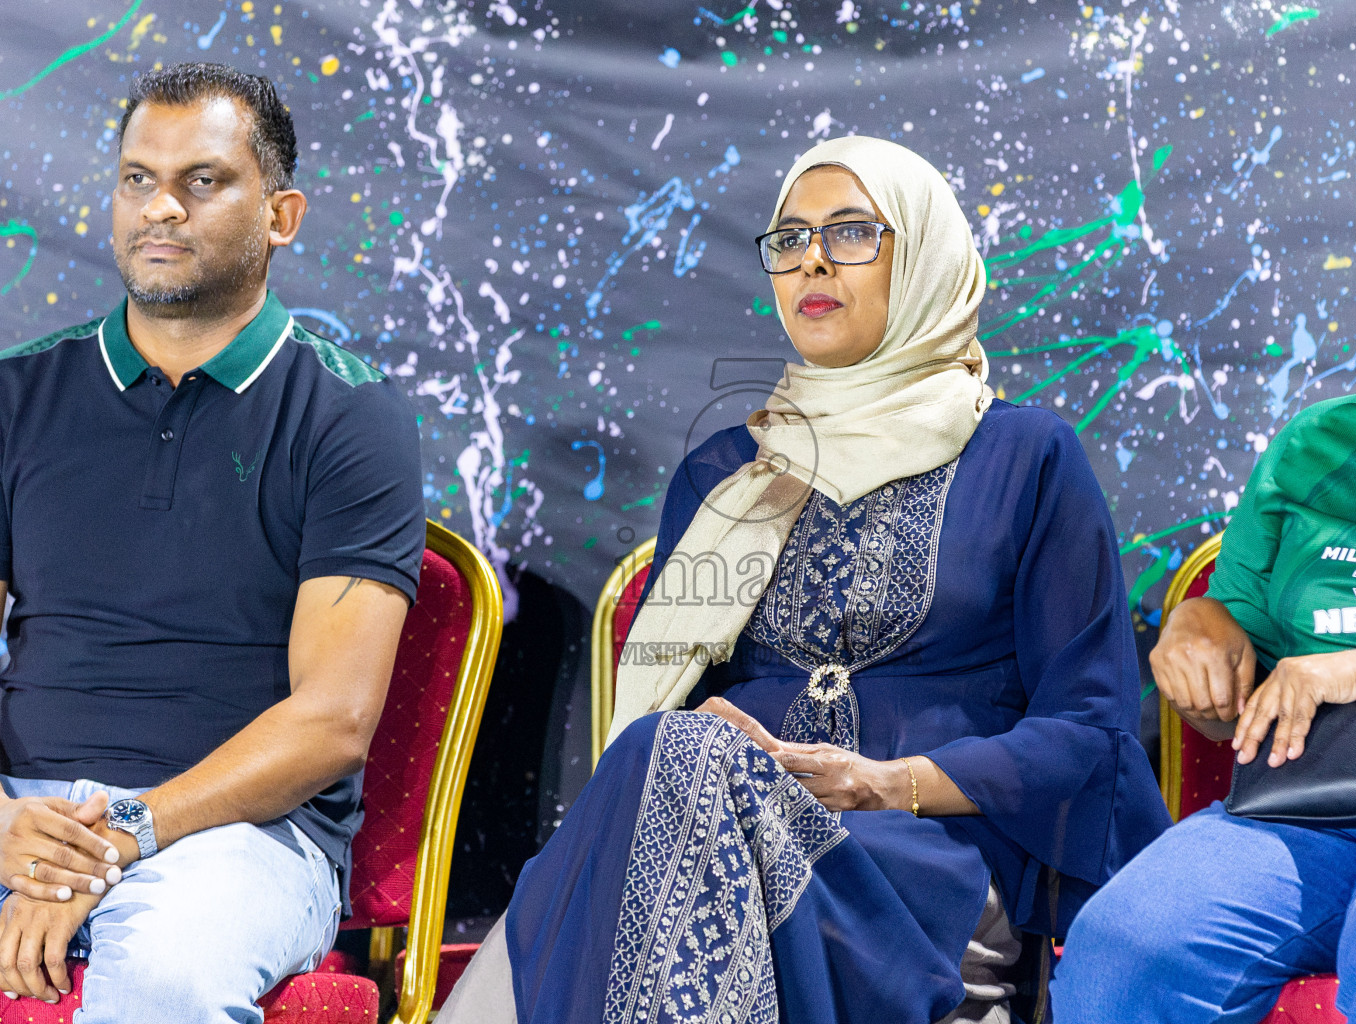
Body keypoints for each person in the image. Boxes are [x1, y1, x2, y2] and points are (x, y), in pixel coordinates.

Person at [439, 135, 1167, 1023]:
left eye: (854, 232)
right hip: (715, 831)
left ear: (928, 255)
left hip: (929, 860)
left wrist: (886, 781)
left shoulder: (1025, 457)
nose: (812, 259)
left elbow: (1086, 731)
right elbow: (665, 725)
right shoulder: (724, 473)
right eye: (789, 240)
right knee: (671, 758)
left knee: (664, 807)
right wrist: (704, 733)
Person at [1052, 134, 1356, 1024]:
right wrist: (1198, 638)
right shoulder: (1317, 442)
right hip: (1314, 792)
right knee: (1128, 943)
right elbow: (1232, 616)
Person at [0, 63, 424, 1018]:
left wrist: (127, 833)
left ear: (281, 216)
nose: (161, 209)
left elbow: (333, 721)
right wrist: (7, 830)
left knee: (168, 975)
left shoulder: (350, 416)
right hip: (19, 810)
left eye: (202, 181)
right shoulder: (16, 396)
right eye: (138, 179)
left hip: (238, 836)